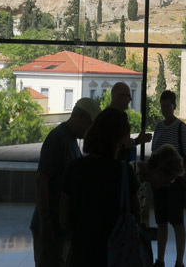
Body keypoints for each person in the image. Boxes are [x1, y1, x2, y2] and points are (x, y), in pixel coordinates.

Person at [61, 108, 141, 266]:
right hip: (114, 256)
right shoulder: (124, 172)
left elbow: (64, 220)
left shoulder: (74, 168)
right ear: (117, 141)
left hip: (81, 255)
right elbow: (135, 219)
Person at [31, 97, 101, 267]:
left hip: (61, 227)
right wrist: (45, 222)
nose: (90, 130)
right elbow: (42, 180)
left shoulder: (70, 140)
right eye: (90, 124)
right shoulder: (58, 139)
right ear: (81, 116)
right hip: (51, 226)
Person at [150, 90, 186, 267]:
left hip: (174, 184)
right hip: (159, 183)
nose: (165, 109)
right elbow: (154, 154)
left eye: (168, 106)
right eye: (163, 106)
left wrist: (181, 177)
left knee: (177, 223)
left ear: (174, 106)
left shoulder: (181, 128)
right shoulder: (159, 127)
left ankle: (179, 262)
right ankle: (160, 260)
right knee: (161, 222)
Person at [132, 144, 184, 227]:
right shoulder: (130, 175)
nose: (167, 185)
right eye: (168, 181)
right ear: (159, 169)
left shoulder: (141, 179)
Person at [109, 82, 151, 161]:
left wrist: (137, 141)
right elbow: (118, 146)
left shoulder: (107, 116)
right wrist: (136, 141)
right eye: (128, 96)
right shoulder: (117, 117)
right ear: (119, 97)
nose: (131, 99)